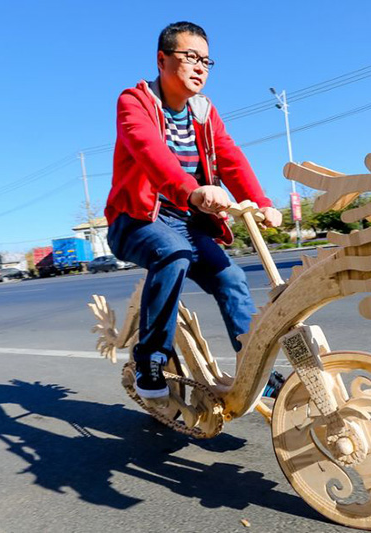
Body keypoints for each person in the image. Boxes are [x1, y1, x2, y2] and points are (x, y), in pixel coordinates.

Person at [105, 21, 283, 403]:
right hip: (138, 219)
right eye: (190, 57)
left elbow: (232, 158)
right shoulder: (134, 102)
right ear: (162, 59)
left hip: (186, 222)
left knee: (232, 278)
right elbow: (150, 152)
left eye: (206, 60)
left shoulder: (203, 112)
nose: (200, 67)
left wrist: (262, 202)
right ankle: (150, 360)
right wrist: (193, 190)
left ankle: (256, 367)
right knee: (173, 252)